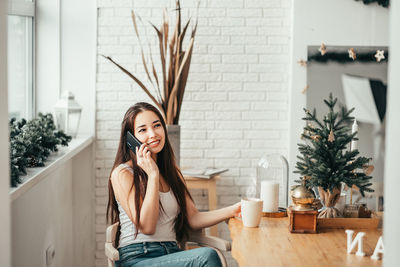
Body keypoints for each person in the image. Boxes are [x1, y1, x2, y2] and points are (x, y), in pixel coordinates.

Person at [107, 102, 241, 267]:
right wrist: (153, 174)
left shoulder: (172, 172)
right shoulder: (122, 174)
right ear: (130, 139)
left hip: (172, 254)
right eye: (142, 130)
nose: (153, 134)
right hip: (137, 257)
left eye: (157, 126)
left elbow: (193, 218)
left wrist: (234, 209)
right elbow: (147, 227)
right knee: (207, 256)